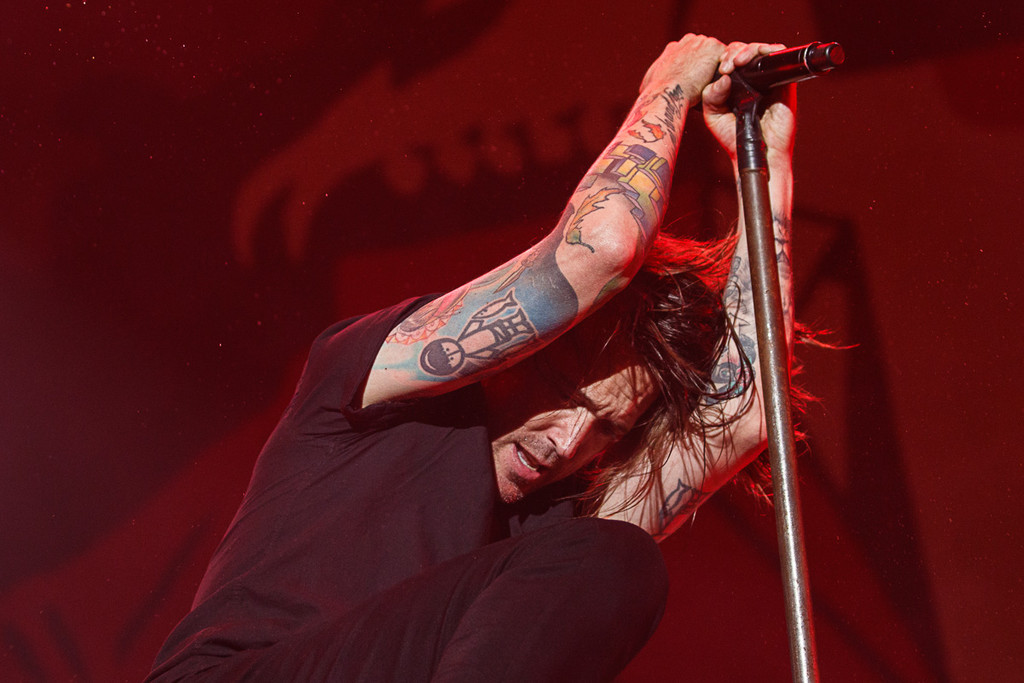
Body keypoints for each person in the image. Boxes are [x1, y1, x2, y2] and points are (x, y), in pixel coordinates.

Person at [146, 35, 797, 682]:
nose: (568, 442)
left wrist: (766, 159)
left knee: (618, 557)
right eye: (565, 392)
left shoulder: (556, 534)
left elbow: (745, 416)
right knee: (602, 552)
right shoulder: (379, 380)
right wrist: (669, 85)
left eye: (606, 427)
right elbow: (601, 250)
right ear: (518, 347)